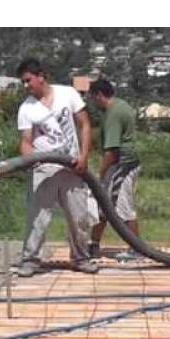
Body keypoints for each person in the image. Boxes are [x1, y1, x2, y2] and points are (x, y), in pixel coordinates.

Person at [16, 57, 99, 277]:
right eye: (23, 82)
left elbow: (85, 124)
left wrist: (83, 156)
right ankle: (31, 259)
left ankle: (81, 257)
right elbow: (25, 141)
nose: (26, 86)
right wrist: (31, 158)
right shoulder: (26, 108)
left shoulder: (67, 94)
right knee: (38, 217)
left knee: (78, 215)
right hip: (44, 168)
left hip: (72, 166)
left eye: (28, 80)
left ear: (41, 76)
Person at [88, 78, 141, 259]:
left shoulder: (114, 113)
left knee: (123, 208)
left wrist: (99, 176)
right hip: (121, 164)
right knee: (103, 204)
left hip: (122, 165)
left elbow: (111, 151)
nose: (93, 104)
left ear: (99, 95)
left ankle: (137, 249)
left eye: (93, 99)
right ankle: (94, 244)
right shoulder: (119, 106)